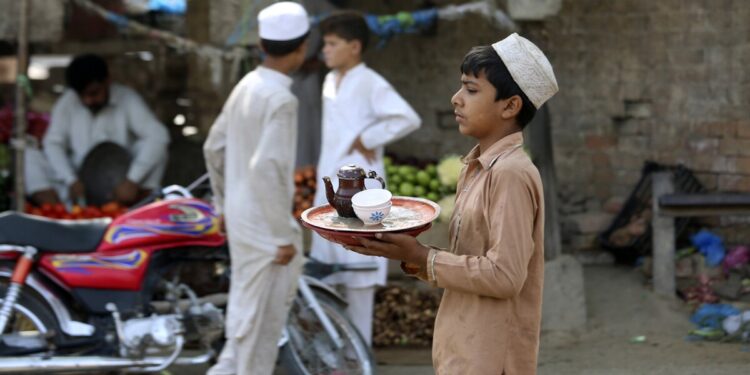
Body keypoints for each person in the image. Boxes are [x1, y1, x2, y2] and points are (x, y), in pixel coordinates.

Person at [345, 33, 559, 374]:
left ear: (510, 106)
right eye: (461, 87)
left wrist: (421, 256)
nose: (456, 99)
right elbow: (468, 262)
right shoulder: (476, 168)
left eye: (471, 90)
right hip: (463, 346)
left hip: (491, 357)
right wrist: (410, 254)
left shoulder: (510, 174)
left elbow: (504, 277)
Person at [202, 2, 310, 374]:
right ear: (302, 48)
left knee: (243, 326)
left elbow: (213, 148)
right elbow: (266, 167)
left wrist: (222, 205)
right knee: (258, 333)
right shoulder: (281, 99)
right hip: (266, 224)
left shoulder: (247, 85)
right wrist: (282, 235)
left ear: (263, 46)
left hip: (240, 215)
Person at [310, 11, 421, 345]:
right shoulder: (329, 81)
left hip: (361, 186)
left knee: (358, 276)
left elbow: (407, 118)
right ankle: (333, 355)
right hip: (328, 183)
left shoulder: (371, 81)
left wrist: (369, 138)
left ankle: (360, 357)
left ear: (354, 46)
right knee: (328, 277)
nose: (325, 50)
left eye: (332, 44)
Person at [41, 54, 169, 205]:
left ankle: (145, 204)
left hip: (123, 181)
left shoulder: (126, 98)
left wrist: (132, 180)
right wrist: (71, 180)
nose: (88, 100)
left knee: (157, 150)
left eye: (94, 93)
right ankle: (53, 209)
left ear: (107, 81)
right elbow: (52, 144)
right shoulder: (67, 102)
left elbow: (159, 136)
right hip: (79, 183)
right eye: (82, 95)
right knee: (30, 156)